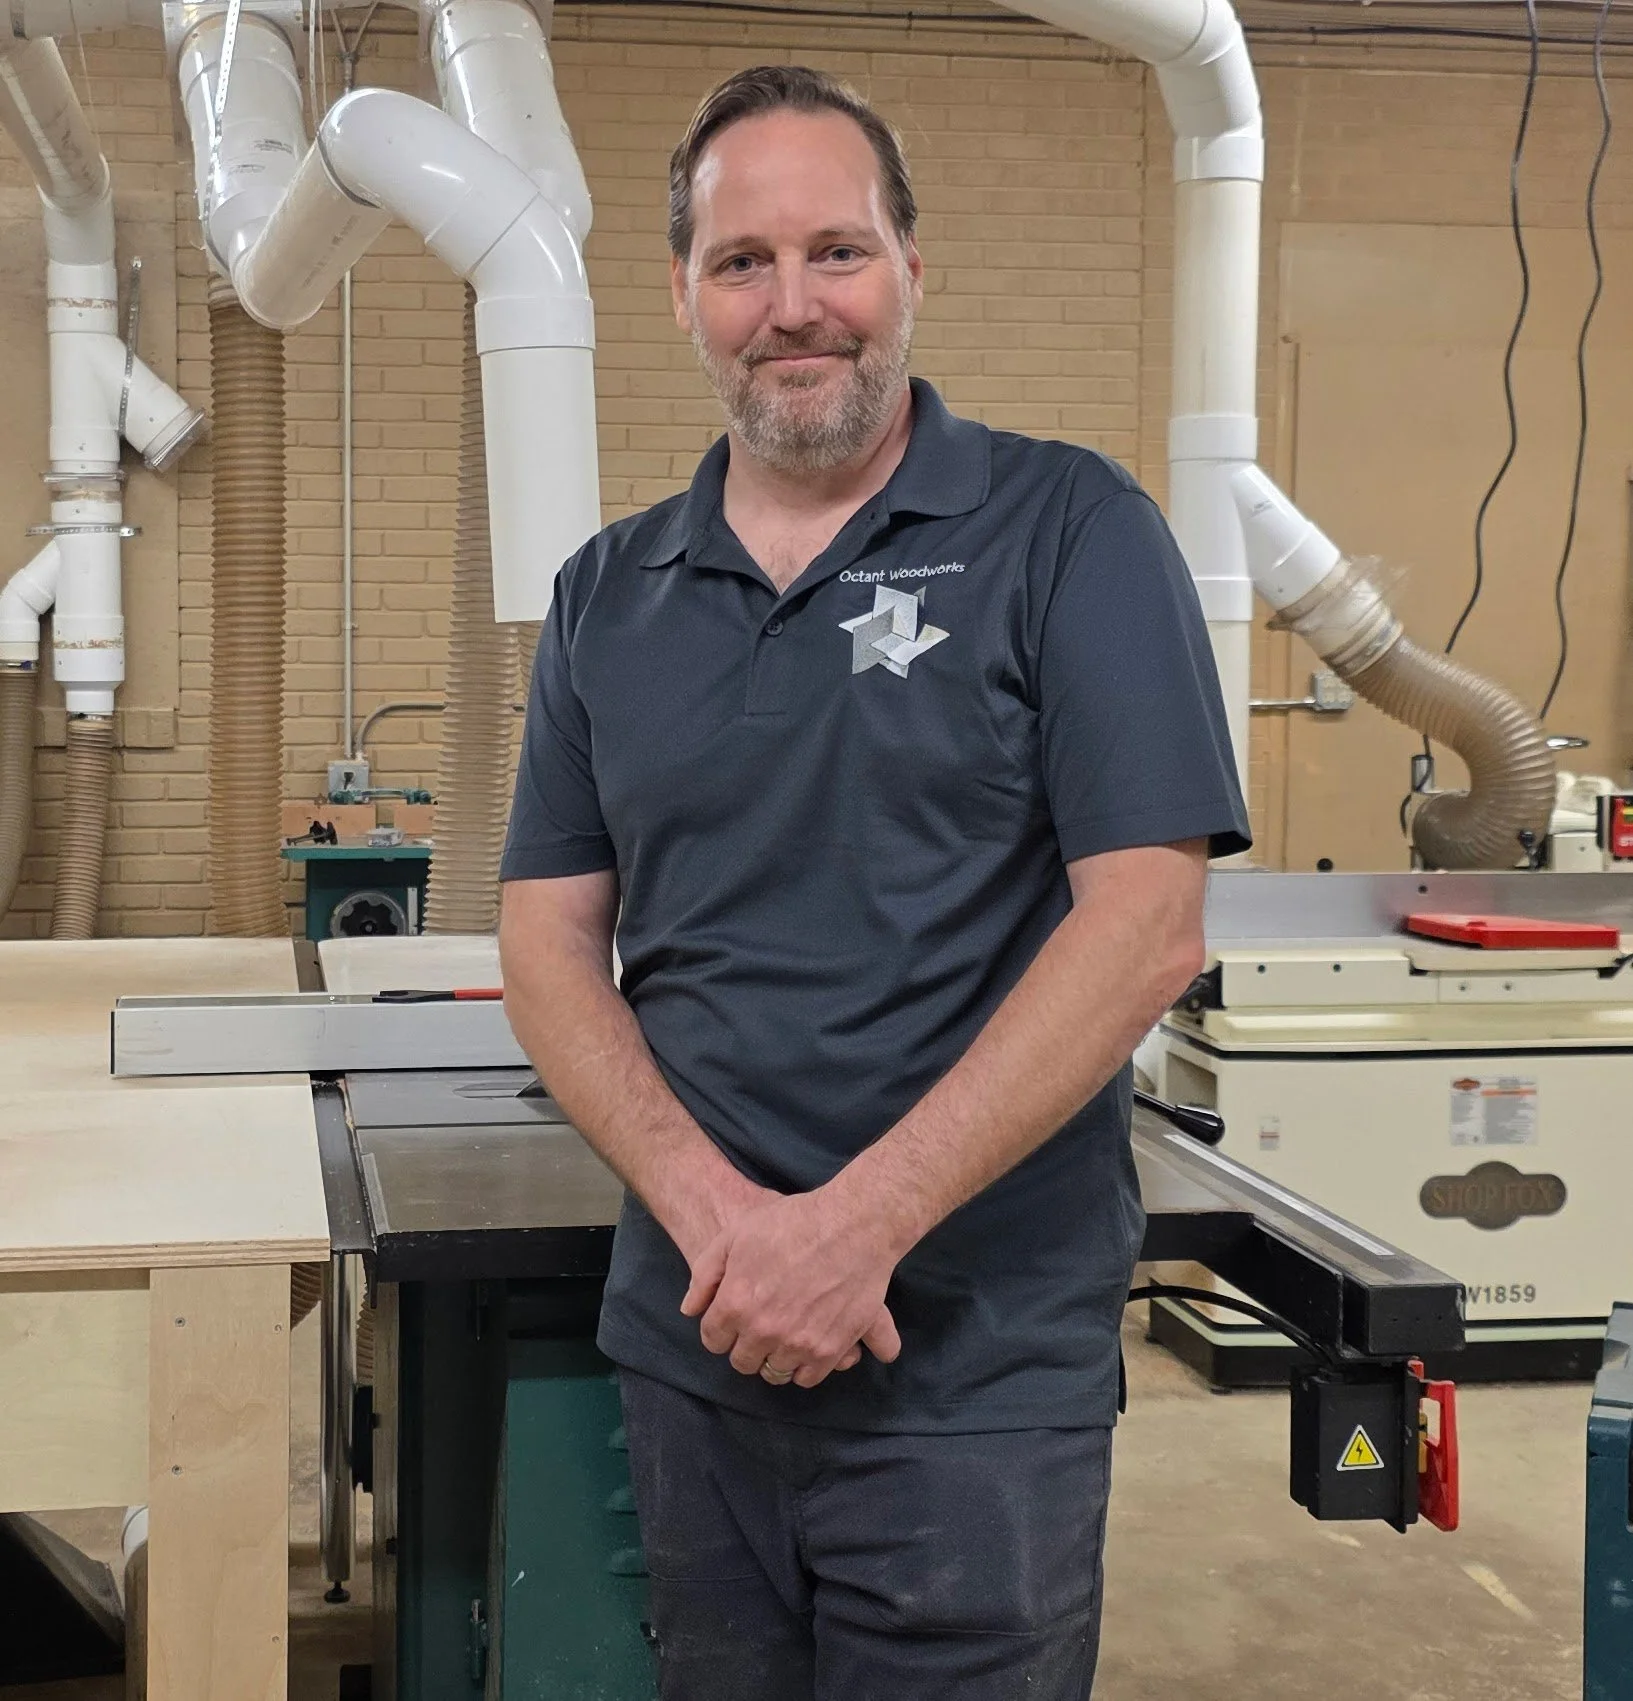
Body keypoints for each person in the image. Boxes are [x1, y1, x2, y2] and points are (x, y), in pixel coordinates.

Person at [498, 63, 1250, 1701]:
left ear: (915, 266)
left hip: (975, 1387)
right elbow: (546, 940)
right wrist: (727, 1231)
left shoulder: (1069, 534)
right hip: (696, 1353)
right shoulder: (606, 595)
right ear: (682, 294)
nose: (795, 307)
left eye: (837, 251)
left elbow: (1146, 925)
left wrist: (857, 1232)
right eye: (742, 262)